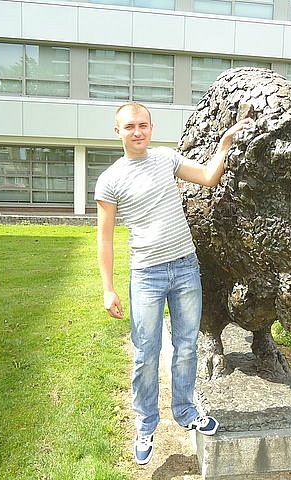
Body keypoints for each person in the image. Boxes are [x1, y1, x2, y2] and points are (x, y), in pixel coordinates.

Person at [95, 102, 252, 465]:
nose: (137, 132)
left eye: (143, 125)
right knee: (145, 353)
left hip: (185, 269)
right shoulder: (110, 179)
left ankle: (186, 411)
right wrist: (108, 288)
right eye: (130, 126)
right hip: (146, 275)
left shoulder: (166, 158)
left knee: (186, 347)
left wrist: (225, 144)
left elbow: (209, 177)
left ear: (151, 128)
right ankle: (146, 424)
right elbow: (104, 238)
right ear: (118, 131)